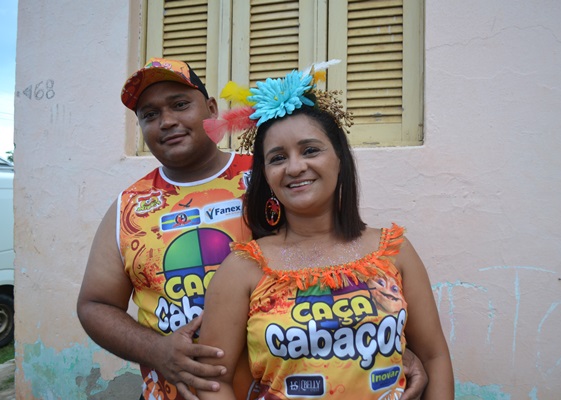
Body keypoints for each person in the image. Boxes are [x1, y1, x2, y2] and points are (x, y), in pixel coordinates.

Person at [77, 58, 429, 400]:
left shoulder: (275, 174)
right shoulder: (130, 208)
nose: (167, 121)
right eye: (150, 114)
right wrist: (156, 350)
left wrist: (388, 347)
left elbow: (342, 260)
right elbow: (95, 305)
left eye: (180, 104)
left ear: (211, 109)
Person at [197, 66, 454, 399]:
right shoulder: (242, 268)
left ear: (339, 159)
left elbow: (434, 357)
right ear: (266, 175)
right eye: (278, 158)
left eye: (310, 150)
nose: (295, 167)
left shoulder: (394, 251)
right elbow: (212, 381)